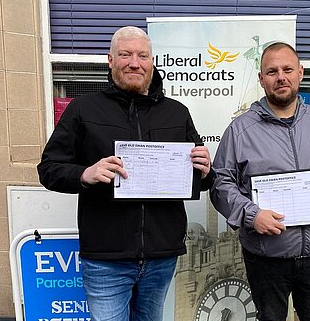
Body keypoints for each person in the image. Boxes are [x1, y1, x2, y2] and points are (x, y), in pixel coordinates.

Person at [37, 26, 214, 321]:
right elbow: (48, 169)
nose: (135, 62)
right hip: (107, 257)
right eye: (125, 55)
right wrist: (85, 173)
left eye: (142, 55)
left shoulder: (177, 112)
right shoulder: (83, 109)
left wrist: (206, 170)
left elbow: (203, 178)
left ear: (152, 61)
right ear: (110, 60)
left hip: (161, 254)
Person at [210, 42, 310, 321]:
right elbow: (221, 185)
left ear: (300, 73)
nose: (281, 77)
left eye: (287, 69)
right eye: (272, 71)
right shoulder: (240, 130)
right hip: (266, 257)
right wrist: (252, 215)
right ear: (261, 79)